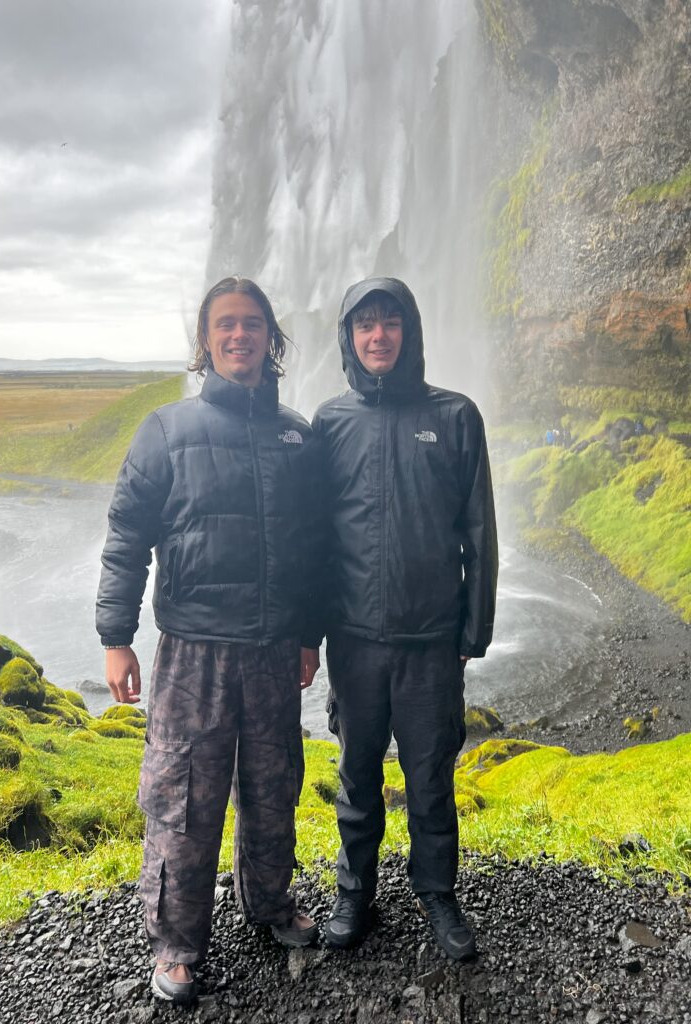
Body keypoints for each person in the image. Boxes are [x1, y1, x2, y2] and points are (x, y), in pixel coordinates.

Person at [96, 277, 323, 1005]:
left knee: (272, 788)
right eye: (225, 324)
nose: (239, 336)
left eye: (252, 324)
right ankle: (176, 946)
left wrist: (307, 637)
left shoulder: (296, 433)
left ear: (270, 339)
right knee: (183, 801)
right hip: (192, 651)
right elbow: (127, 539)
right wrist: (116, 637)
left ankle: (269, 906)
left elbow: (312, 547)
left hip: (271, 648)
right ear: (205, 341)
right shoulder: (166, 430)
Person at [312, 277, 498, 961]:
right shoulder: (331, 423)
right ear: (350, 338)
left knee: (430, 777)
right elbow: (314, 538)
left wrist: (470, 636)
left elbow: (478, 532)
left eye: (391, 323)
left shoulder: (454, 417)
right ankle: (354, 891)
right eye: (366, 325)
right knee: (358, 776)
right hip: (355, 641)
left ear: (408, 332)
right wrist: (311, 635)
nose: (378, 335)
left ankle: (437, 895)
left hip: (430, 643)